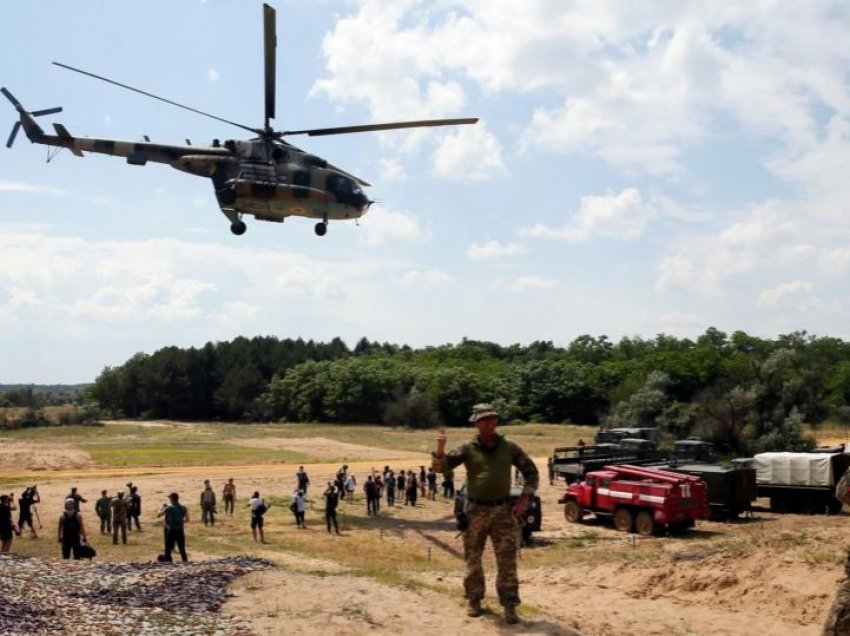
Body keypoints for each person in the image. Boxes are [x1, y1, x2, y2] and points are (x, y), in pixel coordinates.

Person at [432, 403, 539, 625]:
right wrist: (440, 450)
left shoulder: (509, 447)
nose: (490, 423)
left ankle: (509, 605)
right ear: (476, 424)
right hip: (475, 510)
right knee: (473, 559)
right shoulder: (467, 448)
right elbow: (440, 468)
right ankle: (474, 600)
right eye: (485, 419)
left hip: (503, 511)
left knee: (507, 560)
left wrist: (525, 499)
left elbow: (531, 472)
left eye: (493, 419)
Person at [157, 492, 189, 562]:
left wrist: (162, 508)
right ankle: (186, 563)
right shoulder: (183, 507)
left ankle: (168, 563)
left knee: (168, 549)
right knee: (182, 549)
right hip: (180, 530)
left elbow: (158, 515)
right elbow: (187, 519)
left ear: (172, 499)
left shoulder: (170, 507)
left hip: (172, 530)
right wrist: (180, 522)